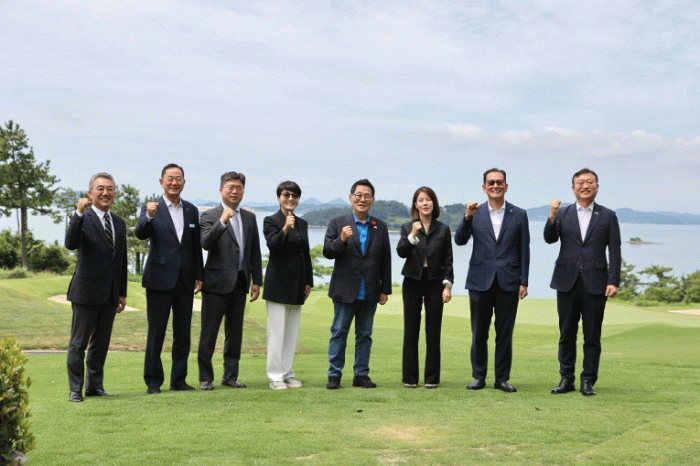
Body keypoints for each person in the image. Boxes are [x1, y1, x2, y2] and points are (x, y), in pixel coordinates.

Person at [545, 168, 621, 396]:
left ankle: (588, 380)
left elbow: (614, 251)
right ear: (573, 188)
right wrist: (552, 216)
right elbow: (549, 239)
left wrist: (613, 280)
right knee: (566, 334)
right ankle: (566, 379)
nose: (585, 186)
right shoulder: (563, 213)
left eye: (590, 182)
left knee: (592, 336)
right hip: (566, 281)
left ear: (597, 186)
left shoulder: (607, 215)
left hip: (596, 282)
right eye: (580, 182)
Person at [454, 168, 530, 393]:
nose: (495, 186)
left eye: (499, 182)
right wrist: (467, 217)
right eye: (491, 182)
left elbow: (524, 250)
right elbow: (459, 240)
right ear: (484, 187)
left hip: (509, 280)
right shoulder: (475, 213)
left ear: (506, 186)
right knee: (479, 332)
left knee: (504, 333)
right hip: (480, 280)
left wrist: (524, 281)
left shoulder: (519, 214)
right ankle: (478, 376)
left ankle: (502, 379)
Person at [135, 163, 204, 394]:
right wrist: (148, 216)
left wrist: (199, 275)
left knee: (183, 333)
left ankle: (179, 380)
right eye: (170, 178)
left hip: (185, 279)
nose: (174, 182)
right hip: (159, 278)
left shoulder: (191, 210)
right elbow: (140, 233)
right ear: (161, 182)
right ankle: (153, 381)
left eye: (179, 178)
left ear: (184, 182)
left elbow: (195, 246)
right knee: (156, 333)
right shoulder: (151, 208)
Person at [323, 179, 391, 389]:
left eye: (367, 196)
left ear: (373, 199)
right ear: (351, 197)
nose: (362, 199)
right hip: (345, 289)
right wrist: (342, 239)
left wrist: (385, 289)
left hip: (370, 290)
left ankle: (361, 375)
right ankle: (334, 375)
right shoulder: (337, 223)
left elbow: (385, 260)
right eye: (358, 195)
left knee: (364, 335)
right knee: (339, 332)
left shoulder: (380, 226)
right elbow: (328, 252)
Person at [65, 173, 127, 402]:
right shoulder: (83, 218)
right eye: (100, 188)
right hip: (85, 292)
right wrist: (78, 214)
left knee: (100, 344)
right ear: (90, 193)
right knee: (78, 344)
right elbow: (70, 243)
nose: (105, 193)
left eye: (110, 189)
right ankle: (75, 389)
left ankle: (95, 386)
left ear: (115, 193)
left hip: (110, 294)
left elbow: (120, 260)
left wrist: (121, 293)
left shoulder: (118, 222)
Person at [197, 172, 263, 390]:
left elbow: (254, 251)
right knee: (209, 333)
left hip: (241, 281)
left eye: (239, 188)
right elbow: (206, 243)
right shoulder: (209, 216)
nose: (235, 191)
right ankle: (205, 378)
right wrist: (223, 221)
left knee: (235, 333)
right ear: (221, 190)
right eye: (230, 187)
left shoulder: (249, 217)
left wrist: (257, 280)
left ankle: (230, 376)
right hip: (216, 282)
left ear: (243, 191)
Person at [396, 187, 453, 389]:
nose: (425, 203)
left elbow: (448, 260)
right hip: (412, 281)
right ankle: (410, 378)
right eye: (421, 200)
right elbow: (401, 252)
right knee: (411, 331)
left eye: (428, 199)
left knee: (433, 331)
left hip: (435, 282)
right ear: (416, 205)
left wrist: (447, 286)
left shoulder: (443, 229)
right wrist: (413, 234)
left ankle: (432, 378)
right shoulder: (407, 227)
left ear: (434, 203)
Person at [262, 181, 313, 390]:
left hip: (297, 282)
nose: (290, 199)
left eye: (294, 196)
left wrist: (308, 281)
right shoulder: (270, 221)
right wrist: (285, 228)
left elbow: (305, 253)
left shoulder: (302, 223)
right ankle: (275, 376)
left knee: (291, 333)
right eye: (286, 195)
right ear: (279, 198)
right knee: (277, 332)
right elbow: (273, 246)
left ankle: (287, 372)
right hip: (278, 283)